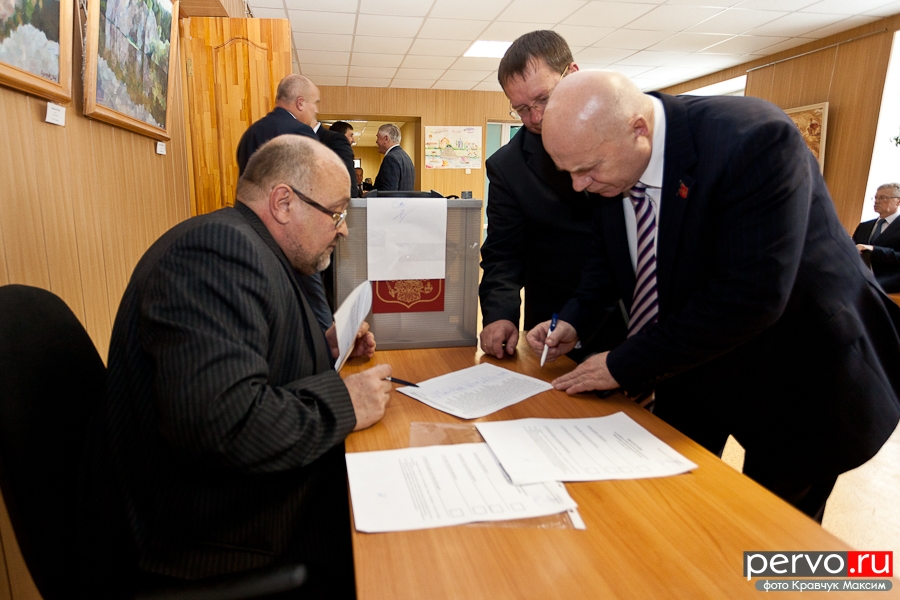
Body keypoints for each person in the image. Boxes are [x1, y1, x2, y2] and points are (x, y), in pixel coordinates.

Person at [530, 70, 900, 521]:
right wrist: (575, 318)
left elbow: (750, 296)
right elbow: (611, 257)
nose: (578, 185)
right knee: (676, 504)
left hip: (799, 370)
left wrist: (621, 363)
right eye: (568, 172)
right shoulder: (605, 159)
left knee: (774, 529)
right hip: (694, 361)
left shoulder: (755, 139)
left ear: (639, 129)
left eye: (586, 170)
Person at [81, 136, 392, 597]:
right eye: (336, 213)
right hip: (215, 535)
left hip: (227, 501)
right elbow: (225, 424)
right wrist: (345, 402)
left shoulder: (248, 248)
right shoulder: (217, 253)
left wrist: (324, 349)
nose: (342, 229)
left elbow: (249, 359)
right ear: (283, 202)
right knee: (396, 552)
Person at [479, 30, 624, 361]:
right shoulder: (509, 167)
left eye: (543, 98)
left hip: (641, 317)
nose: (536, 117)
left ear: (572, 74)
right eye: (521, 109)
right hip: (555, 327)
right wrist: (500, 315)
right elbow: (503, 254)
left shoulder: (626, 130)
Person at [235, 74, 343, 329]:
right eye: (315, 103)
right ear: (300, 103)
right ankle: (326, 350)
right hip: (293, 233)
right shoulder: (300, 132)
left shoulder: (250, 134)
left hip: (255, 232)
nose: (316, 111)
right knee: (314, 302)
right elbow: (316, 186)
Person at [853, 182, 900, 292]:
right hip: (859, 273)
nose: (876, 201)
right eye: (876, 198)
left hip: (890, 277)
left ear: (898, 201)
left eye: (883, 198)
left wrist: (874, 250)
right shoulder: (864, 226)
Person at [372, 123, 415, 191]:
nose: (376, 141)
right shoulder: (406, 157)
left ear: (386, 139)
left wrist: (370, 194)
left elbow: (388, 192)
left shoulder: (390, 158)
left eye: (378, 137)